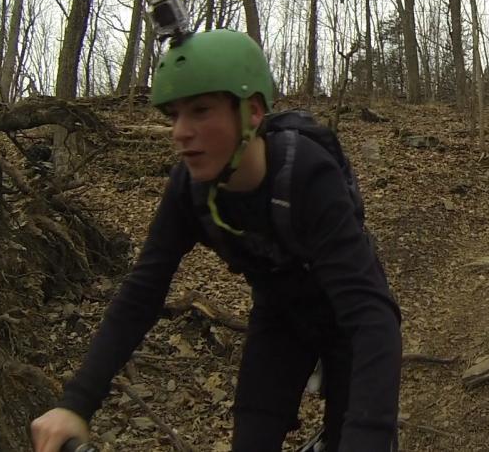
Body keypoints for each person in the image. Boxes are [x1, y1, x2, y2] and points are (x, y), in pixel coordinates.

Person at [30, 29, 402, 452]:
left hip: (348, 319)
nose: (181, 133)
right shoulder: (189, 190)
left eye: (202, 111)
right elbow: (142, 292)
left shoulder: (307, 175)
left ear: (254, 112)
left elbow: (370, 315)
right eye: (174, 116)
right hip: (279, 319)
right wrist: (76, 404)